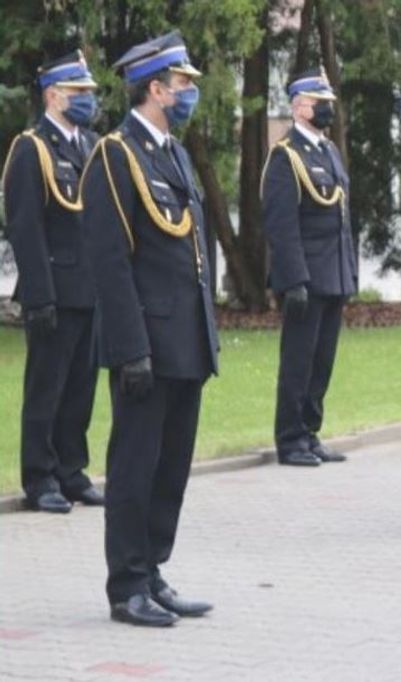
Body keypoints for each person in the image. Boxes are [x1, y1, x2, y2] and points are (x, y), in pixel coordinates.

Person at [83, 31, 219, 627]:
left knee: (172, 464)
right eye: (182, 84)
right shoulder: (117, 153)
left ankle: (154, 569)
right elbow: (110, 260)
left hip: (185, 337)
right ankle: (127, 584)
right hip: (147, 341)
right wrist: (130, 346)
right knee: (136, 464)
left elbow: (193, 249)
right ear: (156, 89)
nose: (189, 93)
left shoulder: (175, 154)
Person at [2, 50, 103, 513]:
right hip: (53, 291)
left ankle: (71, 470)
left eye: (88, 92)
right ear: (52, 95)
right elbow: (26, 227)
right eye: (78, 92)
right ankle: (40, 477)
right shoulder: (32, 148)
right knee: (47, 387)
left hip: (89, 289)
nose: (87, 99)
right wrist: (39, 296)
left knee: (80, 387)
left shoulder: (91, 146)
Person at [261, 67, 357, 467]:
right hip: (306, 277)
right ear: (300, 107)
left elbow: (342, 219)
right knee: (299, 360)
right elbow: (282, 224)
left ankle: (311, 430)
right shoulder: (286, 156)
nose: (327, 109)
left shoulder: (327, 151)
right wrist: (293, 279)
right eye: (321, 102)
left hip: (332, 272)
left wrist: (348, 272)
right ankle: (290, 438)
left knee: (323, 360)